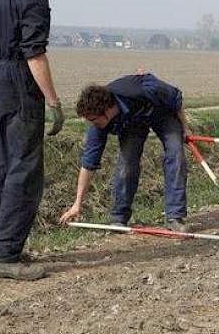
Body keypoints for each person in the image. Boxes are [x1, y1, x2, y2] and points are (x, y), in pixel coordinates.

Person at [0, 0, 65, 280]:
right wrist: (54, 102)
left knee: (0, 164)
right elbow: (34, 52)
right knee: (25, 168)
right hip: (17, 79)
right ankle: (4, 254)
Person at [58, 73, 190, 231]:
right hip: (132, 122)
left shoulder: (145, 89)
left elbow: (175, 98)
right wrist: (77, 204)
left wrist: (185, 128)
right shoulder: (99, 124)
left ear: (107, 110)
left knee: (176, 152)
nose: (90, 123)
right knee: (127, 162)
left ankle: (175, 217)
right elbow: (88, 164)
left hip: (161, 112)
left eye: (92, 119)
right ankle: (119, 219)